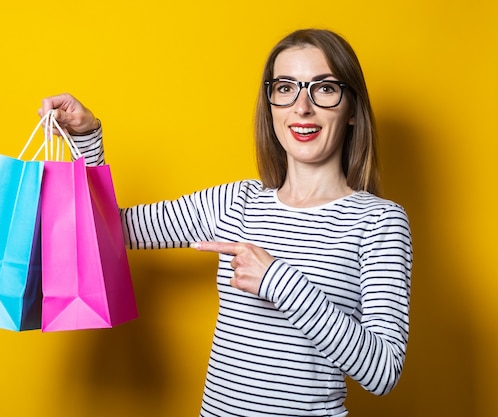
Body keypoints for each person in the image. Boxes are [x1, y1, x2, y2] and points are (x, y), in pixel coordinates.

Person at [39, 28, 413, 417]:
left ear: (352, 109)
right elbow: (107, 230)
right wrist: (87, 141)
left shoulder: (379, 222)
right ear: (271, 106)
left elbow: (383, 371)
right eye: (286, 88)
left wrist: (277, 282)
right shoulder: (235, 202)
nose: (302, 107)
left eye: (324, 88)